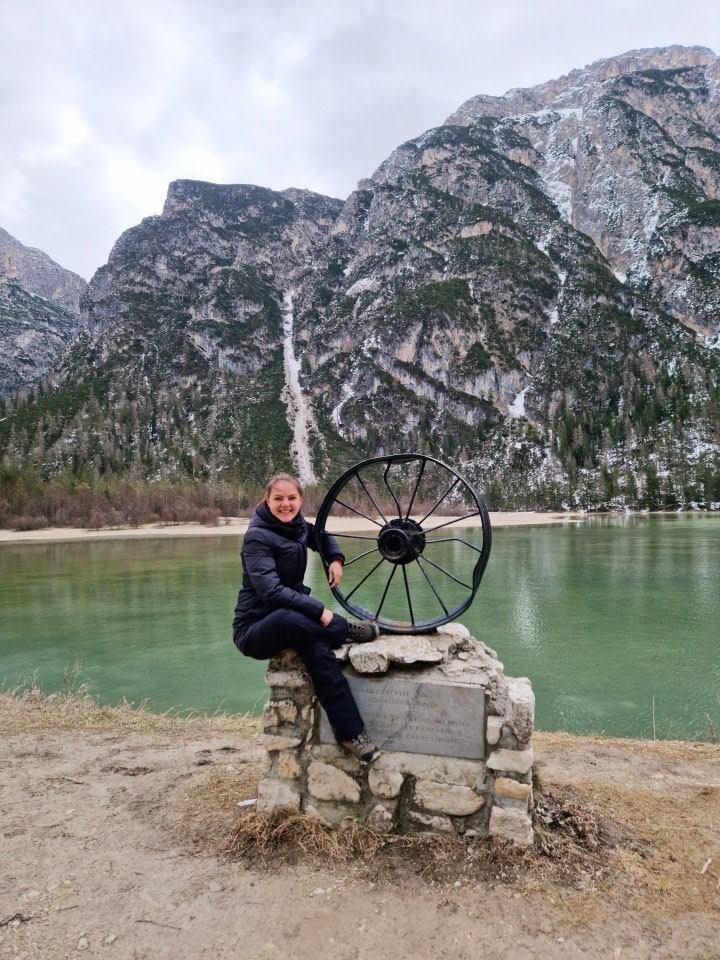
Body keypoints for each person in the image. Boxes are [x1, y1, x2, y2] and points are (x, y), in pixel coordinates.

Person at [233, 472, 381, 763]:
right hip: (255, 628)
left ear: (300, 500)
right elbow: (272, 593)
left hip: (295, 619)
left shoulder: (298, 526)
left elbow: (321, 537)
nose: (285, 504)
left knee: (321, 656)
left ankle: (351, 734)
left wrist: (335, 559)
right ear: (267, 500)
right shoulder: (257, 537)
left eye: (291, 498)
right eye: (279, 498)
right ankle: (343, 628)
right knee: (291, 619)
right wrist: (322, 613)